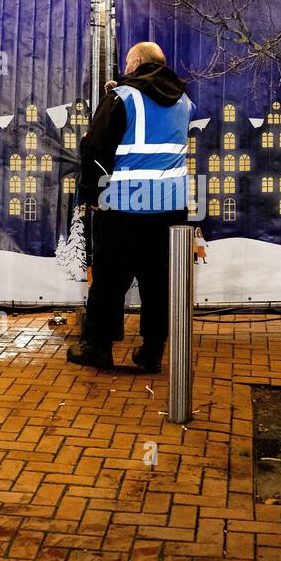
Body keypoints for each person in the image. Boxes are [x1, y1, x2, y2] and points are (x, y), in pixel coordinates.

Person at [68, 41, 193, 373]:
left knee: (110, 281)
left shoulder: (122, 97)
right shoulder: (184, 100)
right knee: (159, 283)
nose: (124, 69)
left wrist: (93, 195)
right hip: (170, 208)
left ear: (137, 62)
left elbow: (95, 148)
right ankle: (152, 350)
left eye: (126, 63)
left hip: (123, 207)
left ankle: (98, 347)